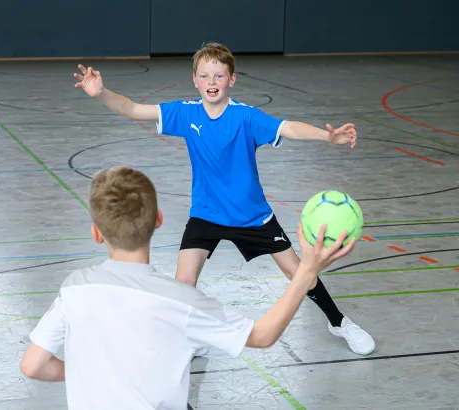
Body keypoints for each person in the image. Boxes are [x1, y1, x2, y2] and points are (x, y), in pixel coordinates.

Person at [71, 42, 375, 356]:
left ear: (232, 80)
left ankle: (338, 322)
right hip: (206, 214)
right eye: (205, 76)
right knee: (183, 281)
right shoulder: (185, 113)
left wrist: (327, 135)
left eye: (219, 75)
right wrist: (102, 93)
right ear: (195, 81)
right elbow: (134, 109)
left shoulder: (246, 118)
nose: (212, 82)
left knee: (298, 272)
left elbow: (289, 128)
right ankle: (193, 335)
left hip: (253, 216)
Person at [20, 166, 356, 409]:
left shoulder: (74, 288)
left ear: (96, 232)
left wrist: (88, 374)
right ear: (158, 220)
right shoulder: (181, 300)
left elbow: (33, 365)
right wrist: (306, 271)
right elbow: (263, 336)